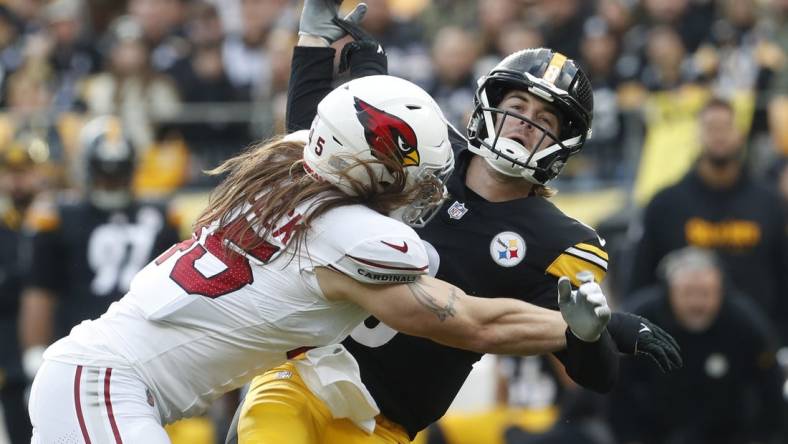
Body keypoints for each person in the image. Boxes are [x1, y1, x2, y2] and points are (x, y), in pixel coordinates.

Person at [27, 73, 614, 443]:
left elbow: (327, 119)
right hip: (107, 383)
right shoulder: (356, 237)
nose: (427, 189)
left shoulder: (283, 166)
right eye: (411, 175)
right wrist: (587, 329)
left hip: (106, 375)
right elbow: (467, 320)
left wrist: (316, 48)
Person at [228, 2, 681, 443]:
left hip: (385, 423)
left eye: (545, 120)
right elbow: (310, 152)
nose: (525, 124)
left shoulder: (562, 241)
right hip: (303, 375)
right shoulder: (427, 149)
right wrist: (312, 47)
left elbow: (596, 375)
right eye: (518, 107)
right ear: (489, 103)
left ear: (564, 143)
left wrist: (591, 334)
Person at [18, 115, 182, 387]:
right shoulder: (57, 217)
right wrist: (36, 355)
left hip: (146, 353)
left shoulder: (164, 216)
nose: (112, 181)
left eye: (118, 172)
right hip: (79, 352)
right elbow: (40, 291)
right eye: (105, 172)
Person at [626, 97, 788, 343]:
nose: (719, 136)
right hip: (680, 346)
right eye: (711, 128)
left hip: (755, 345)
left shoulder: (770, 203)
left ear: (740, 134)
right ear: (697, 136)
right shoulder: (664, 204)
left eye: (726, 127)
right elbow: (639, 283)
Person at [610, 247, 785, 444]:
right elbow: (615, 388)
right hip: (655, 433)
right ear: (670, 291)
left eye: (705, 293)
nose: (697, 303)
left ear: (721, 291)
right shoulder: (639, 321)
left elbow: (770, 387)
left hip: (729, 433)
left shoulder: (745, 323)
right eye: (687, 293)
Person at [0, 137, 46, 444]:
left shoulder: (58, 223)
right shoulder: (4, 228)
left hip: (57, 343)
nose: (18, 181)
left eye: (26, 171)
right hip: (11, 357)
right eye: (11, 172)